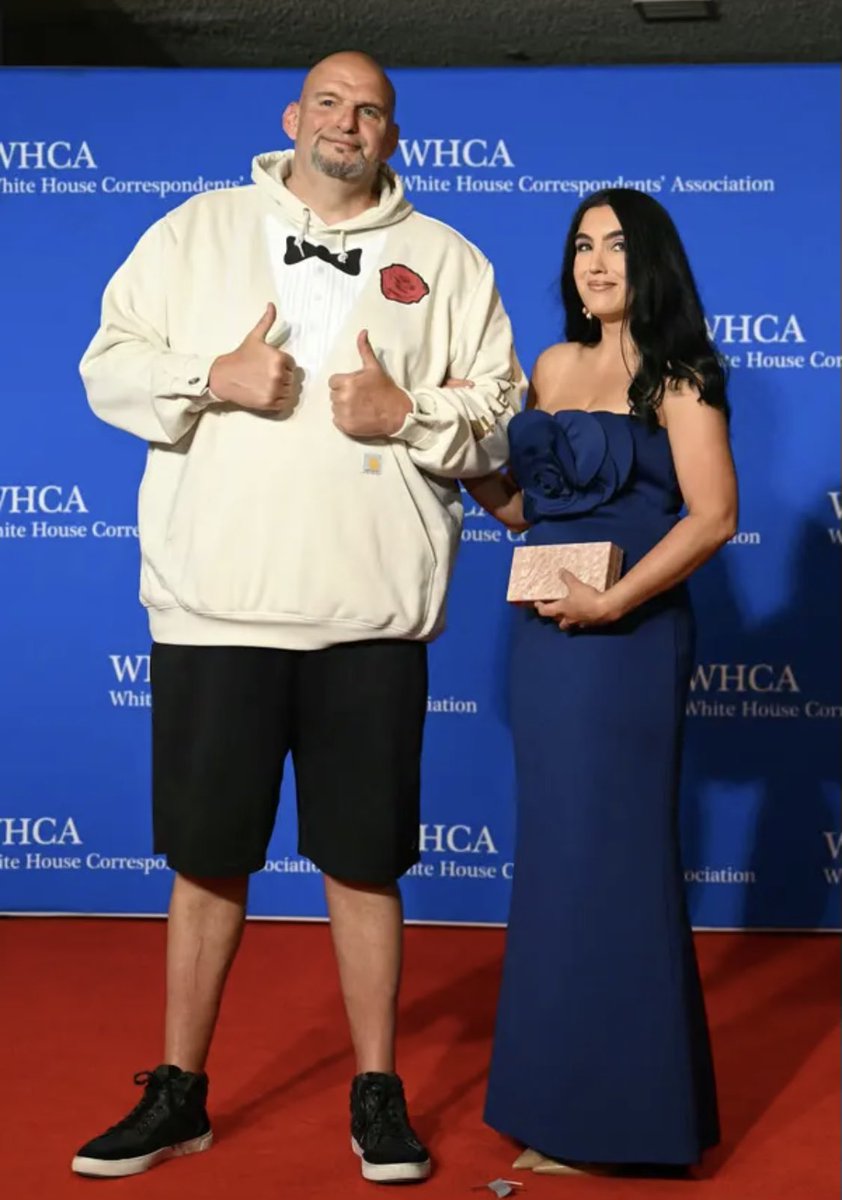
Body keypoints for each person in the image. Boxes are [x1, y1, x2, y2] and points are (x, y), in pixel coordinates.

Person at [72, 51, 523, 1184]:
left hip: (370, 612)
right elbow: (107, 367)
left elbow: (497, 416)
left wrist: (404, 410)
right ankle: (178, 1091)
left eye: (369, 108)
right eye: (329, 101)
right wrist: (208, 375)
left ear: (393, 135)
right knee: (207, 860)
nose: (347, 121)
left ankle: (377, 1087)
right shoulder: (194, 232)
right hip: (215, 609)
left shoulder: (447, 260)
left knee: (365, 863)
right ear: (293, 117)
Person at [470, 188, 736, 1174]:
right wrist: (460, 457)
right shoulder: (550, 365)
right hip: (542, 638)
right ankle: (556, 1109)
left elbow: (708, 516)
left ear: (649, 259)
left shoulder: (678, 373)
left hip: (623, 640)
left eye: (615, 246)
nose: (595, 263)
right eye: (581, 246)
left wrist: (614, 603)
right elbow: (526, 511)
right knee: (555, 860)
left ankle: (625, 1123)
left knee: (613, 858)